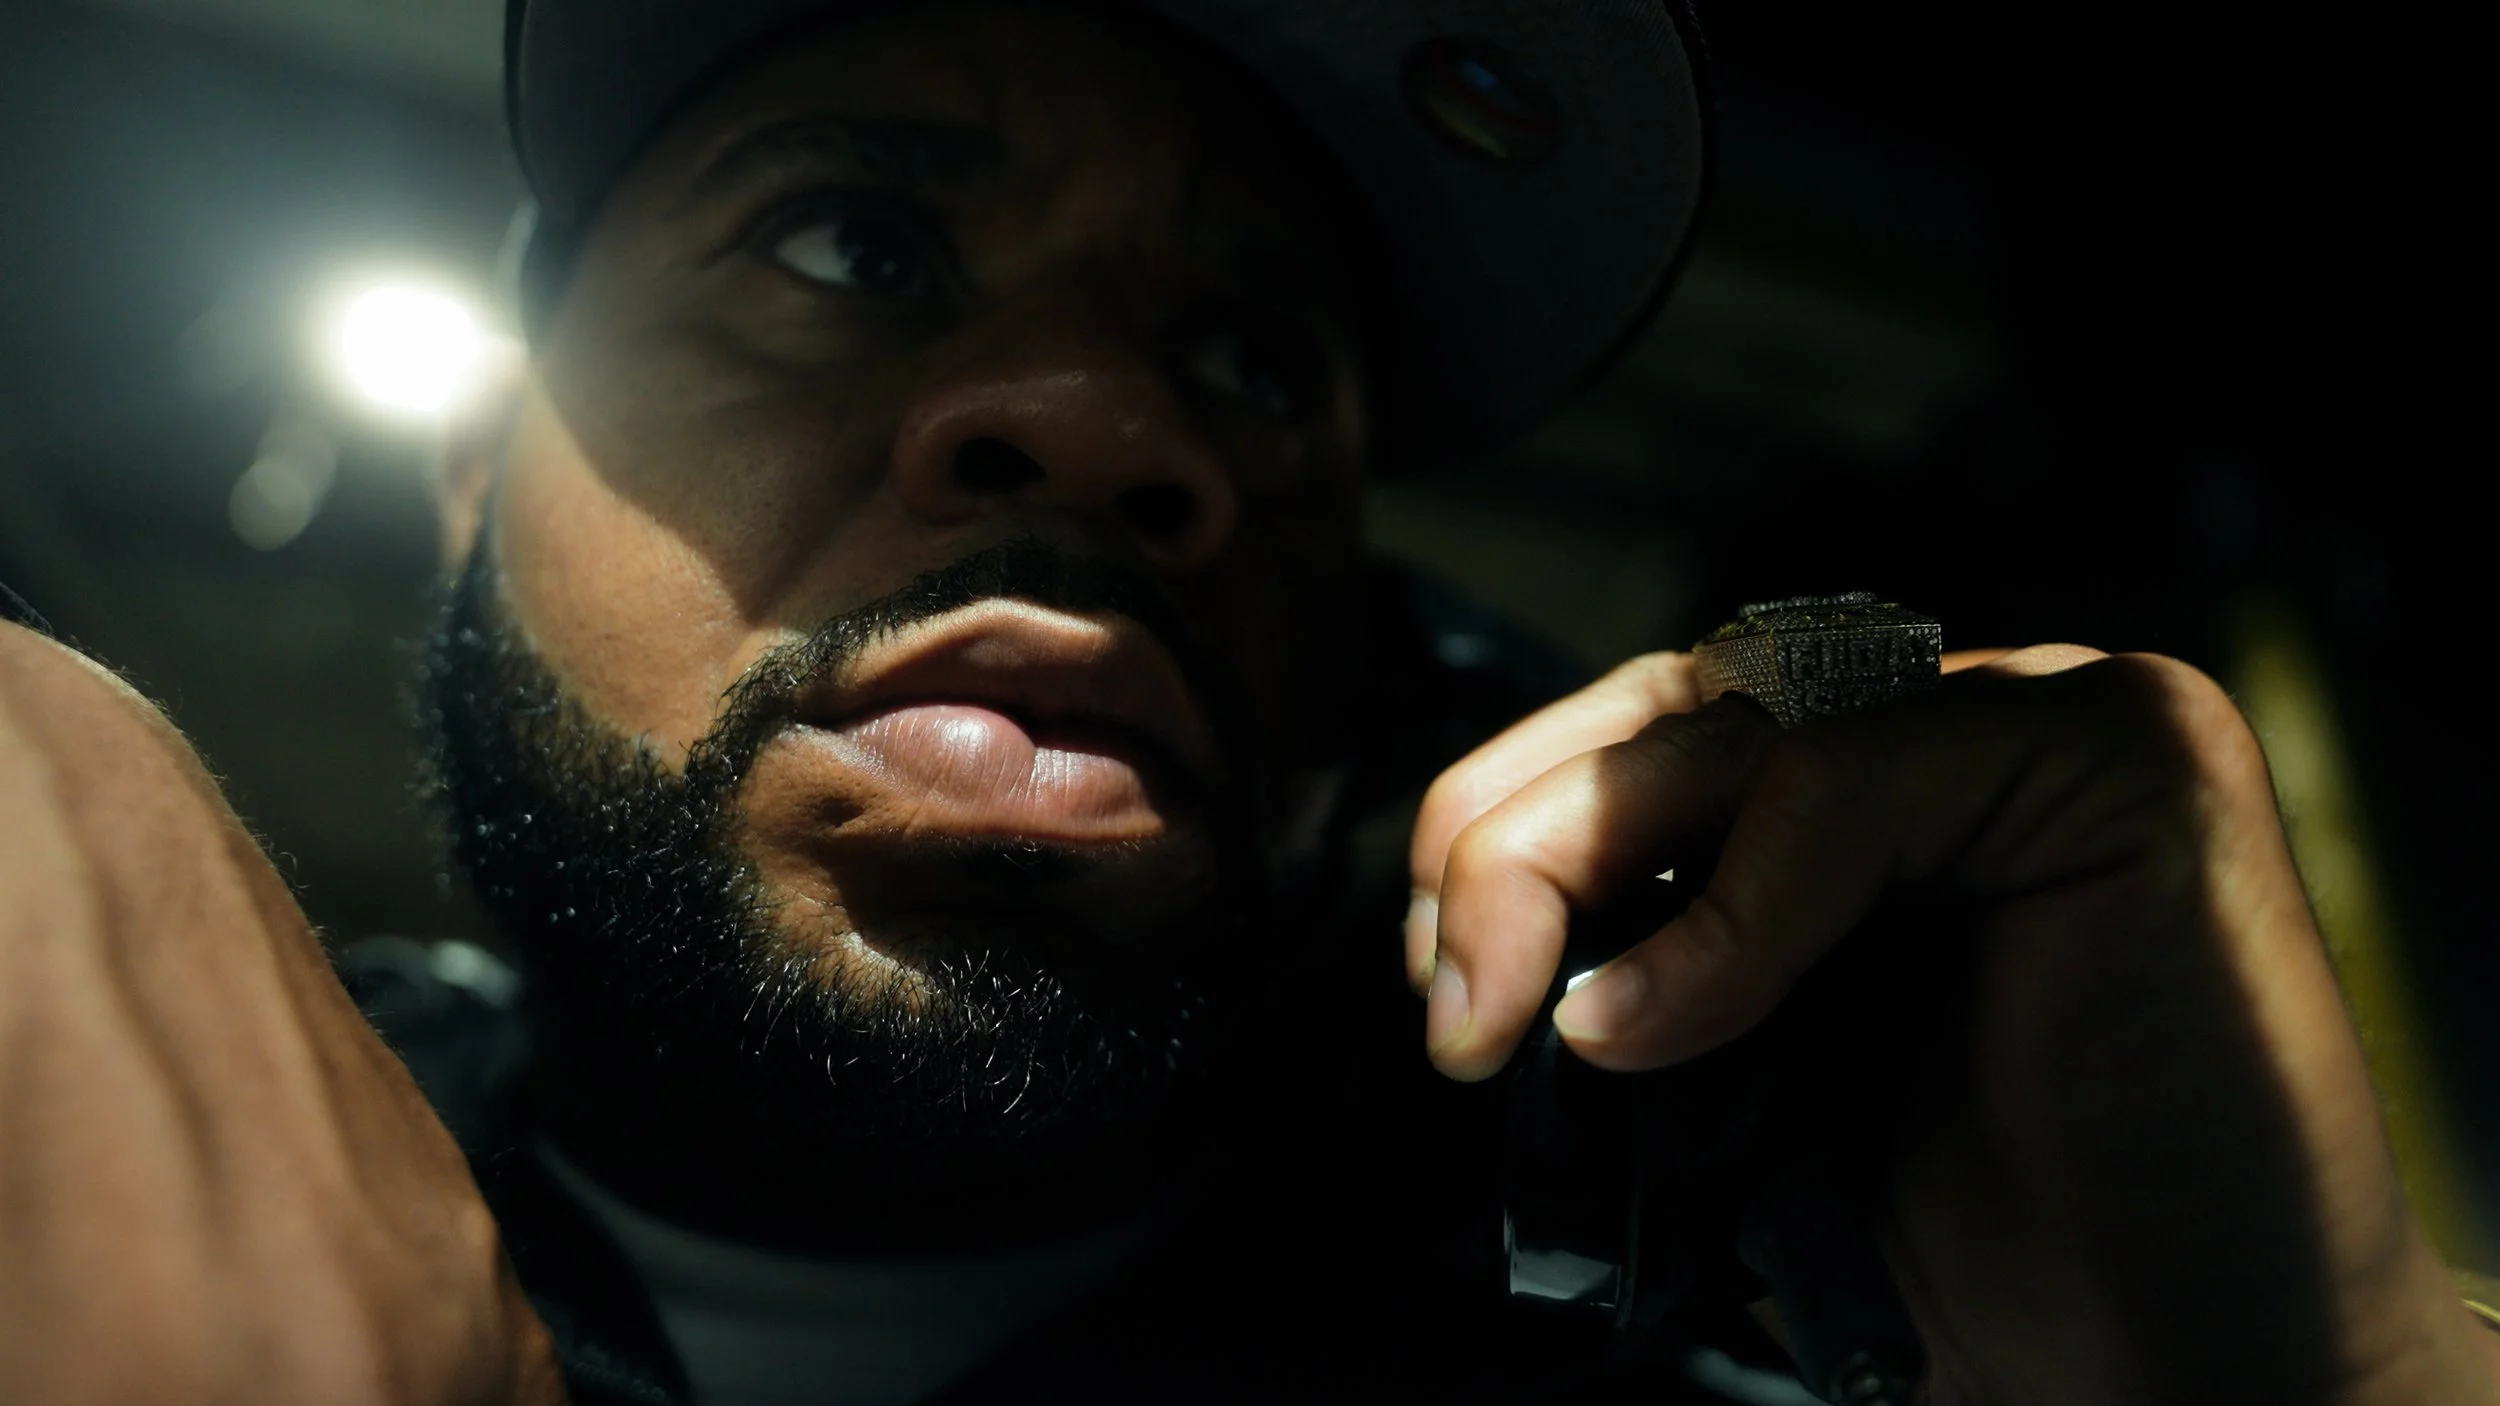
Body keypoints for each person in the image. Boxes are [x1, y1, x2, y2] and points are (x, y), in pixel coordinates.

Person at [1, 1, 2493, 1402]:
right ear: (474, 486)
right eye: (854, 243)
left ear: (1348, 649)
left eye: (1252, 362)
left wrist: (2332, 1373)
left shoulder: (1715, 1328)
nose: (1108, 423)